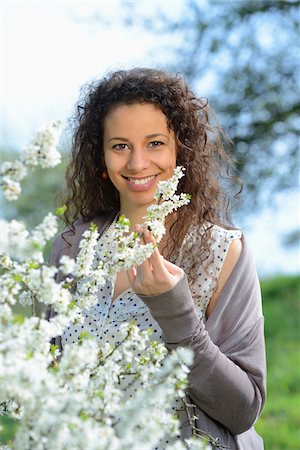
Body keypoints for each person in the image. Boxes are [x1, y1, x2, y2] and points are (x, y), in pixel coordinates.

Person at [48, 68, 266, 449]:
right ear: (100, 157)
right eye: (120, 146)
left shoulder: (222, 251)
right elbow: (48, 386)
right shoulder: (69, 249)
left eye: (154, 144)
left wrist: (175, 311)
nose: (136, 164)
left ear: (179, 149)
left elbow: (243, 410)